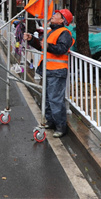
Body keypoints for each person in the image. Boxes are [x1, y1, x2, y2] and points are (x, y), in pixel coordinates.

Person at [23, 9, 75, 138]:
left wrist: (47, 45)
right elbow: (42, 46)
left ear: (62, 20)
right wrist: (32, 40)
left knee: (55, 100)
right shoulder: (50, 31)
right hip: (48, 69)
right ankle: (51, 122)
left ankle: (61, 127)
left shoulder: (64, 33)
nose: (52, 16)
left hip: (57, 71)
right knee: (47, 98)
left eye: (56, 15)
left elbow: (62, 49)